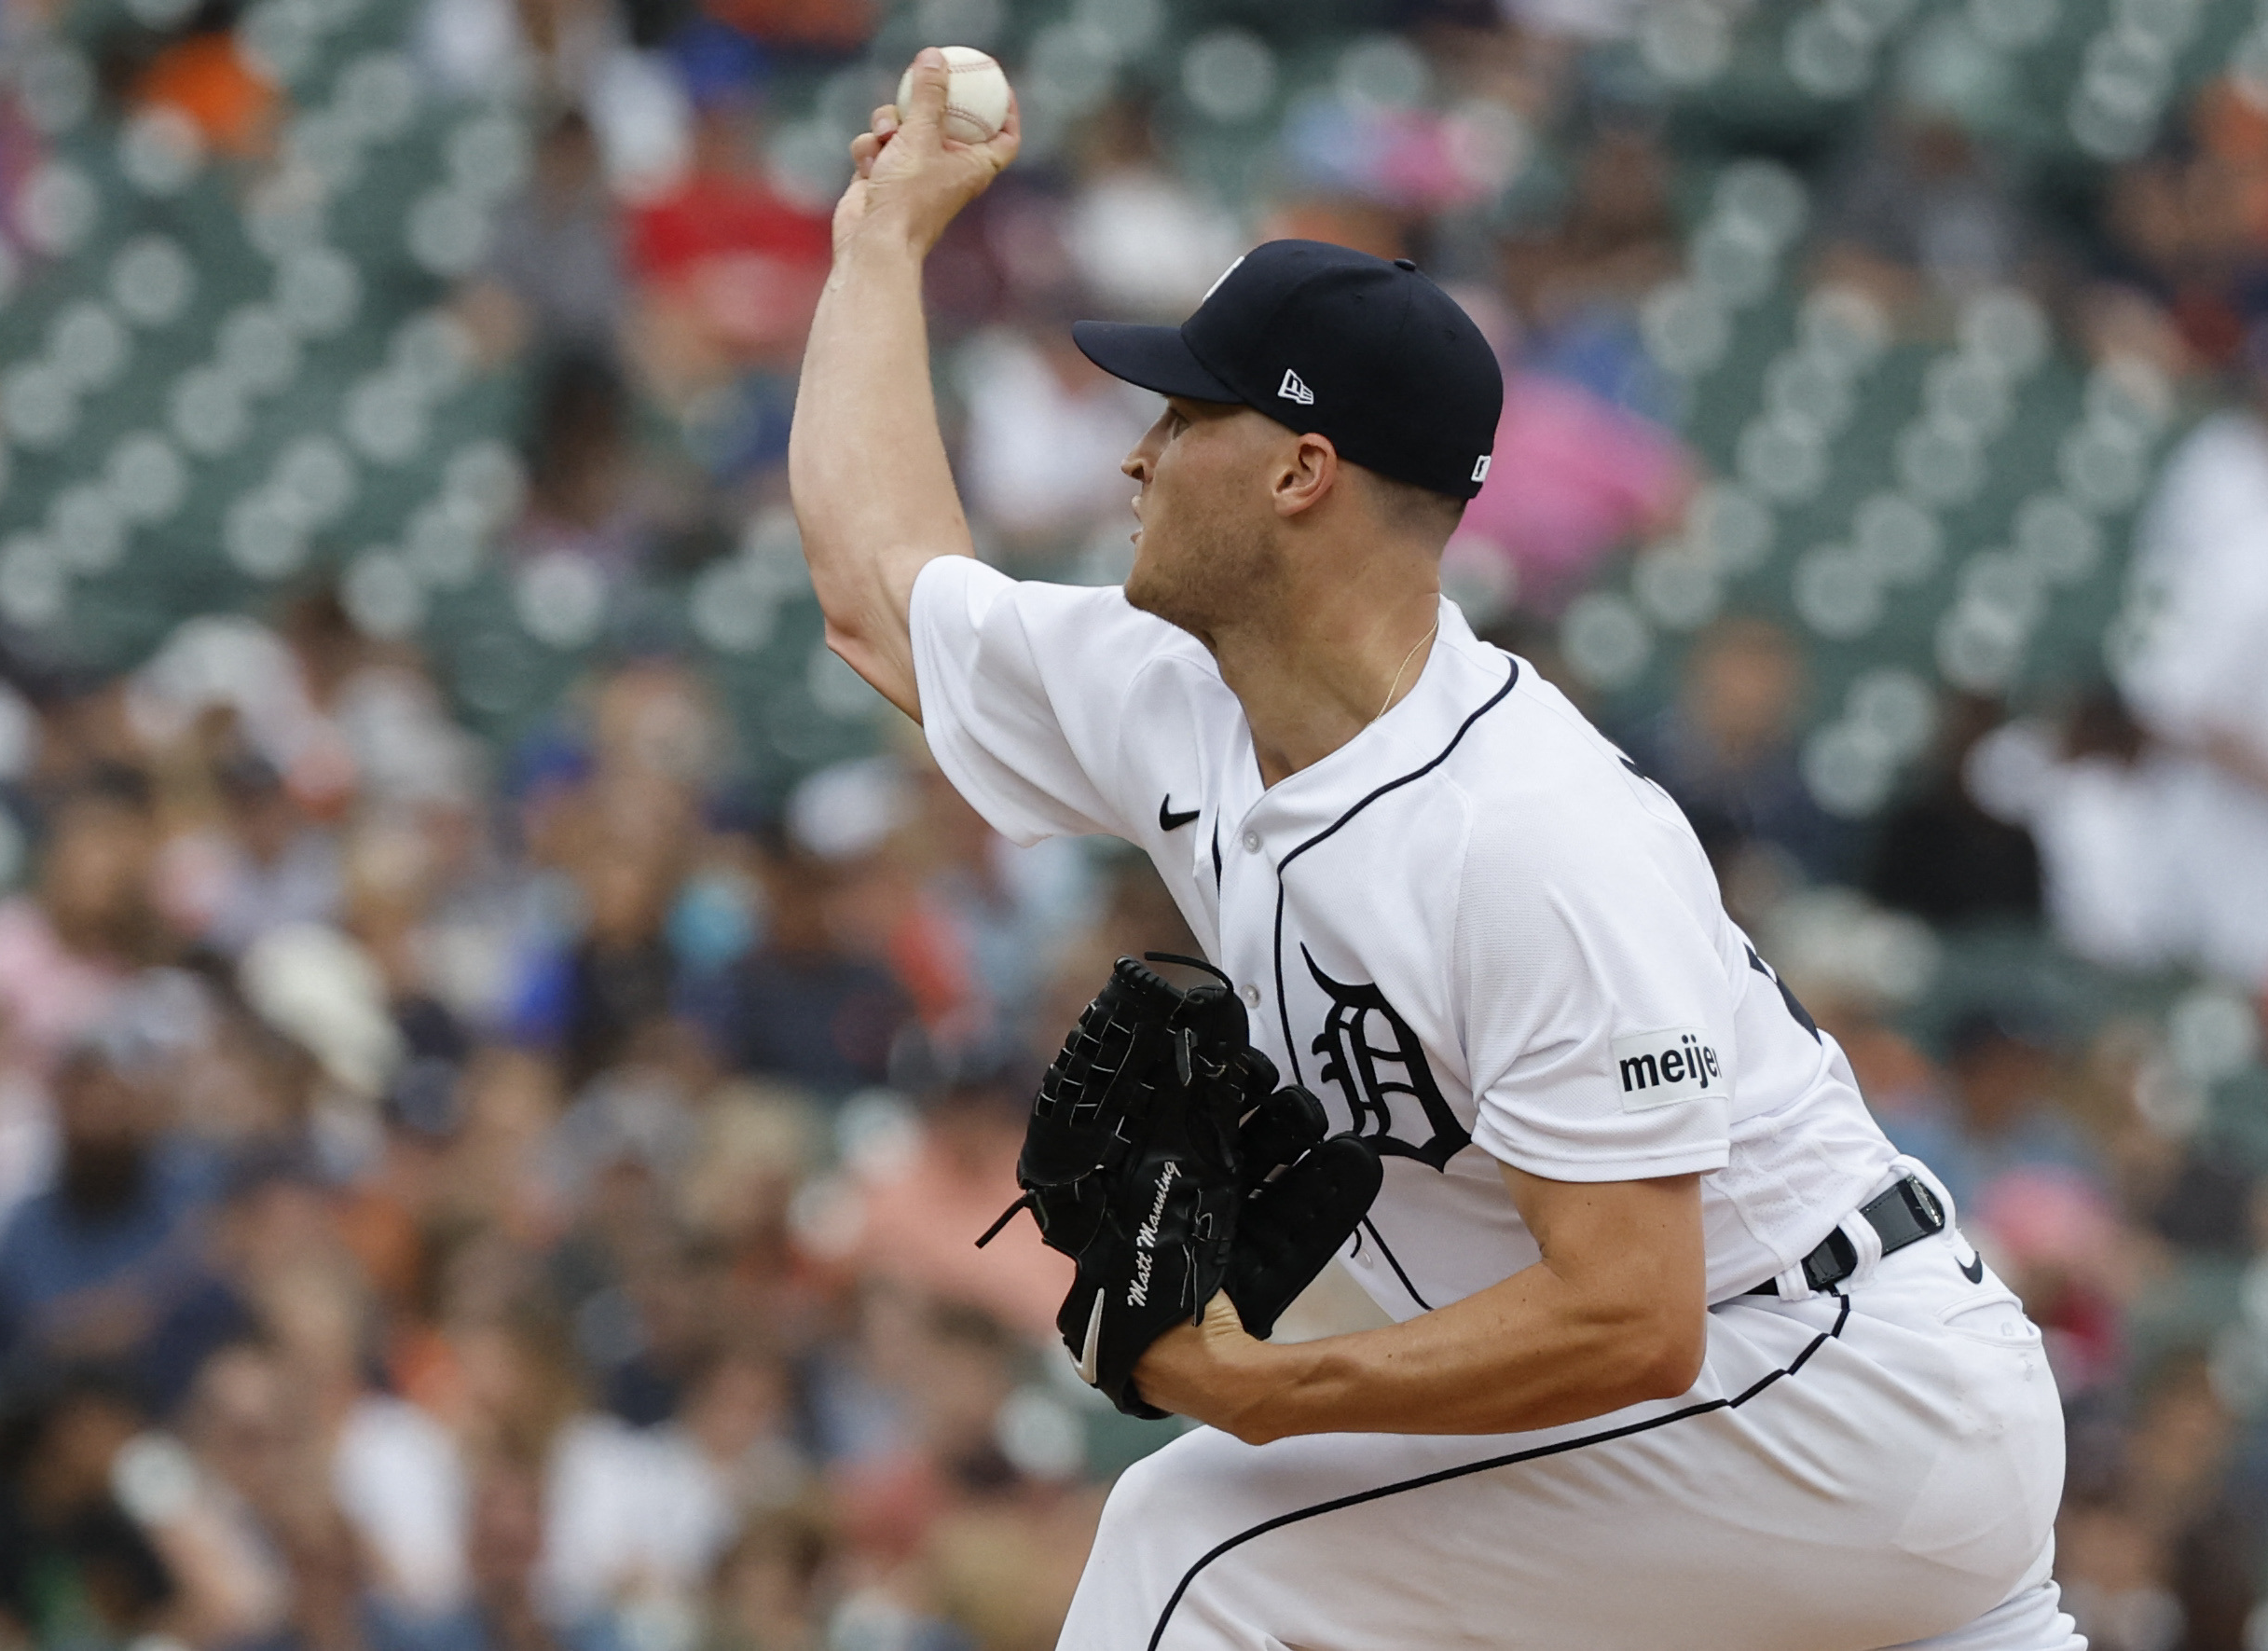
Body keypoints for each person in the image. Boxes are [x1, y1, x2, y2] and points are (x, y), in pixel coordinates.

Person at [785, 52, 2081, 1650]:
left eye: (1180, 414)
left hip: (1831, 1389)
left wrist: (1264, 1390)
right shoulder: (1175, 696)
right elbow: (878, 587)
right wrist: (878, 238)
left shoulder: (1526, 833)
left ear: (1297, 471)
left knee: (1195, 1549)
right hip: (1762, 1437)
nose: (1133, 455)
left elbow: (1630, 1312)